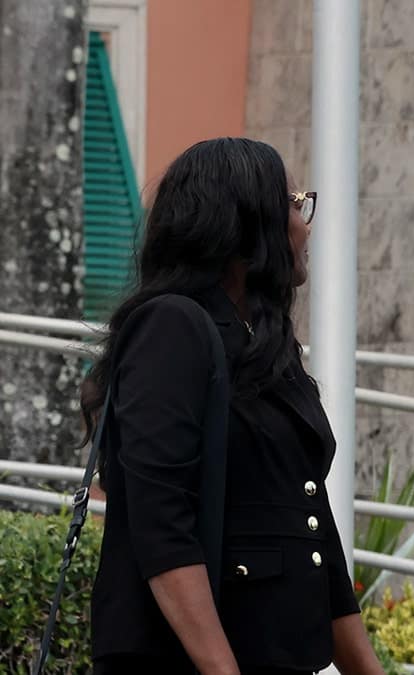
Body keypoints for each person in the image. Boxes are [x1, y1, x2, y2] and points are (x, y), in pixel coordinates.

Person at [81, 138, 384, 675]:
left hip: (276, 655)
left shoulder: (270, 348)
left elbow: (310, 528)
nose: (306, 223)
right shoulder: (171, 326)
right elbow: (161, 519)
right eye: (295, 203)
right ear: (246, 222)